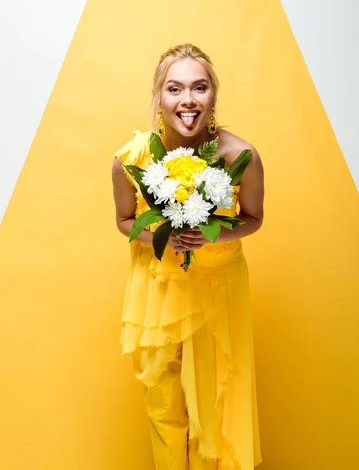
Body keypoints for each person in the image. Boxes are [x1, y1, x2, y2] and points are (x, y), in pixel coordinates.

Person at [112, 44, 265, 469]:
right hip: (156, 291)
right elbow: (125, 221)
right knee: (162, 404)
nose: (188, 100)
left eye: (200, 87)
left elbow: (254, 219)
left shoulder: (241, 156)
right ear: (159, 96)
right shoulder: (133, 158)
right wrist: (163, 234)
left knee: (211, 407)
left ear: (214, 95)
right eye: (175, 88)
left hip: (215, 289)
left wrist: (209, 235)